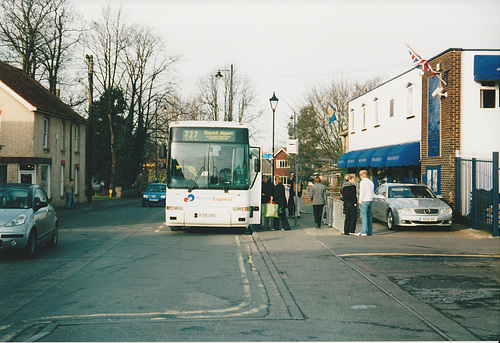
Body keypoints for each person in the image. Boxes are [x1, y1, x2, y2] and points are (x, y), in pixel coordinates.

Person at [357, 170, 374, 236]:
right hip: (370, 200)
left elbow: (362, 192)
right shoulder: (370, 182)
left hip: (364, 200)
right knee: (369, 216)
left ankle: (364, 231)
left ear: (361, 175)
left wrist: (360, 201)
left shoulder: (363, 182)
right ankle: (370, 231)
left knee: (364, 216)